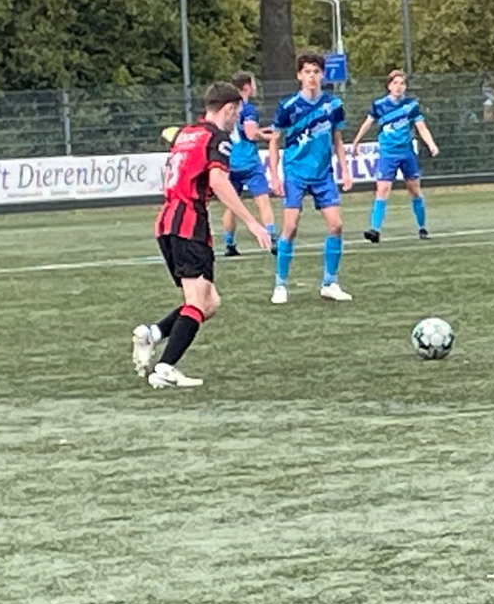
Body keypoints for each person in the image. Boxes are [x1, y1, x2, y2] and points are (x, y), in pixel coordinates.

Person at [133, 83, 278, 388]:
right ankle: (164, 369)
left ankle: (152, 334)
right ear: (229, 109)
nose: (237, 119)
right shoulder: (218, 138)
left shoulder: (186, 133)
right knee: (197, 302)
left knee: (209, 302)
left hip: (168, 220)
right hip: (188, 223)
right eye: (237, 113)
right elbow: (219, 182)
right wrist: (252, 222)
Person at [268, 52, 355, 301]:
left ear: (322, 75)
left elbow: (337, 138)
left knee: (336, 225)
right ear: (299, 75)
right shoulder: (288, 107)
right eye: (307, 72)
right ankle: (280, 285)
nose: (312, 77)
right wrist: (274, 176)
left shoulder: (333, 105)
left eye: (316, 72)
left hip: (323, 173)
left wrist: (345, 170)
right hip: (295, 172)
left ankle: (330, 283)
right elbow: (274, 141)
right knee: (290, 227)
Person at [350, 69, 439, 242]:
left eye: (402, 83)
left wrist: (431, 144)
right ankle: (374, 230)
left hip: (406, 152)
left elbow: (421, 127)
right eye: (395, 83)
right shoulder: (379, 105)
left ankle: (422, 228)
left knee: (414, 189)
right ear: (389, 86)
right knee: (382, 189)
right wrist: (356, 142)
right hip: (388, 153)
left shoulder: (411, 105)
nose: (399, 87)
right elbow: (367, 123)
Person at [221, 72, 274, 257]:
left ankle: (229, 243)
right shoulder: (248, 109)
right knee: (263, 201)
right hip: (249, 163)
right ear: (246, 87)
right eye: (253, 84)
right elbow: (250, 135)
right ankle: (271, 238)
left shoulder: (226, 109)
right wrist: (266, 136)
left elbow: (241, 131)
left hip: (229, 162)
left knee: (231, 205)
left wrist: (260, 130)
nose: (255, 87)